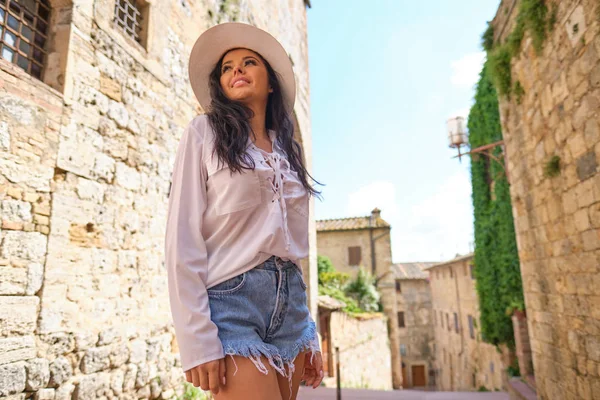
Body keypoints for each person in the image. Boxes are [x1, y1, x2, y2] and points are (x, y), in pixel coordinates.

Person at [164, 22, 324, 400]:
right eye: (226, 67)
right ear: (220, 85)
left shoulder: (291, 153)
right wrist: (196, 340)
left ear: (270, 83)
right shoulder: (203, 133)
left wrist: (310, 330)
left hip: (292, 309)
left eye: (249, 61)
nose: (236, 69)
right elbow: (181, 238)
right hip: (231, 302)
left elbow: (293, 245)